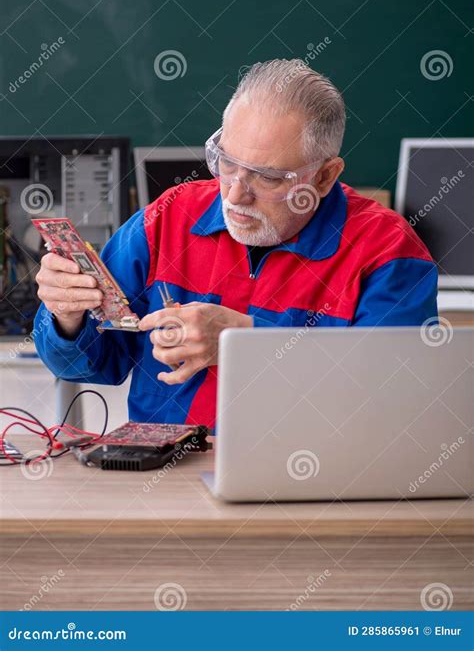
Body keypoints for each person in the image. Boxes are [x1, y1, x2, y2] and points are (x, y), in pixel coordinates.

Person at [34, 59, 437, 428]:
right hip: (169, 481)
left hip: (318, 486)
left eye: (268, 177)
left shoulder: (386, 249)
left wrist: (246, 343)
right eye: (227, 162)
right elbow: (87, 366)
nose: (234, 196)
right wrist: (67, 318)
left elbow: (394, 400)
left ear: (324, 177)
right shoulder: (168, 218)